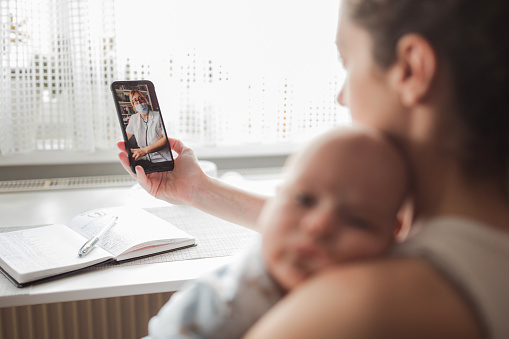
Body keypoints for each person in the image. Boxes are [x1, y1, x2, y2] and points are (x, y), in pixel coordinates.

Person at [118, 0, 509, 337]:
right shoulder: (480, 244)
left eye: (347, 62)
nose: (341, 97)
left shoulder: (363, 308)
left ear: (410, 68)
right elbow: (333, 226)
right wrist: (199, 190)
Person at [145, 127, 409, 339]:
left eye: (357, 220)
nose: (318, 225)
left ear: (394, 236)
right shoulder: (217, 312)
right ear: (278, 196)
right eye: (304, 199)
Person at [125, 89, 173, 168]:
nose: (139, 102)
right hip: (145, 158)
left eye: (141, 98)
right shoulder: (133, 119)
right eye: (135, 100)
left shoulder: (158, 116)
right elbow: (126, 137)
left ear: (146, 100)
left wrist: (144, 150)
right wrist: (126, 150)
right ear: (133, 105)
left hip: (162, 159)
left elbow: (165, 140)